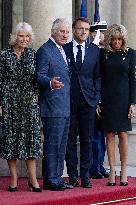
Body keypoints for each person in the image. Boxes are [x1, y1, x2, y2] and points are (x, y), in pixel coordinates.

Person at [0, 22, 42, 192]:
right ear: (14, 37)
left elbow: (38, 80)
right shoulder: (3, 55)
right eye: (21, 35)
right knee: (10, 141)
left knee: (30, 141)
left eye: (27, 36)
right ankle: (14, 178)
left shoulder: (33, 55)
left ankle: (33, 180)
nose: (24, 39)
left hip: (29, 104)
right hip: (9, 103)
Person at [36, 18, 73, 191]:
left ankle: (57, 177)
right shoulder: (45, 50)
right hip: (52, 106)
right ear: (53, 32)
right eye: (62, 32)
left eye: (67, 32)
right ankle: (50, 179)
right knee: (52, 143)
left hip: (64, 106)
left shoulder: (63, 49)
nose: (65, 35)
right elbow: (39, 75)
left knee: (61, 143)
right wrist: (50, 82)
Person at [64, 17, 101, 188]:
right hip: (69, 101)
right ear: (74, 30)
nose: (84, 32)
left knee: (87, 139)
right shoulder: (64, 49)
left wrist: (96, 98)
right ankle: (72, 176)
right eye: (80, 29)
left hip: (88, 102)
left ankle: (85, 176)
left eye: (86, 29)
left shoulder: (95, 51)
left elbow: (98, 77)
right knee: (70, 140)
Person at [100, 24, 136, 186]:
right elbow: (98, 79)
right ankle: (112, 171)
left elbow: (133, 80)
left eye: (119, 39)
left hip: (124, 99)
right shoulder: (104, 54)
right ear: (109, 39)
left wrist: (133, 103)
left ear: (123, 40)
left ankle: (123, 171)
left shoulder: (131, 54)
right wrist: (98, 101)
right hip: (107, 100)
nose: (116, 42)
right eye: (113, 39)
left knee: (122, 134)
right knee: (109, 134)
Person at [89, 21, 109, 179]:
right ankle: (93, 167)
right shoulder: (91, 51)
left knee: (103, 135)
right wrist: (96, 100)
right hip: (93, 99)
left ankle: (100, 164)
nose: (101, 35)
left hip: (108, 99)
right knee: (94, 135)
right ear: (91, 34)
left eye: (103, 32)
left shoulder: (108, 52)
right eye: (97, 32)